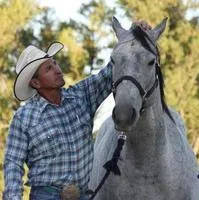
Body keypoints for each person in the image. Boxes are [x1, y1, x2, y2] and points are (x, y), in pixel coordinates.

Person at [3, 21, 151, 200]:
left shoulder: (81, 97)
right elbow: (13, 163)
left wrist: (133, 35)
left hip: (84, 194)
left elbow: (115, 67)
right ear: (36, 83)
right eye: (49, 68)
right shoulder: (24, 118)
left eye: (55, 63)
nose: (57, 70)